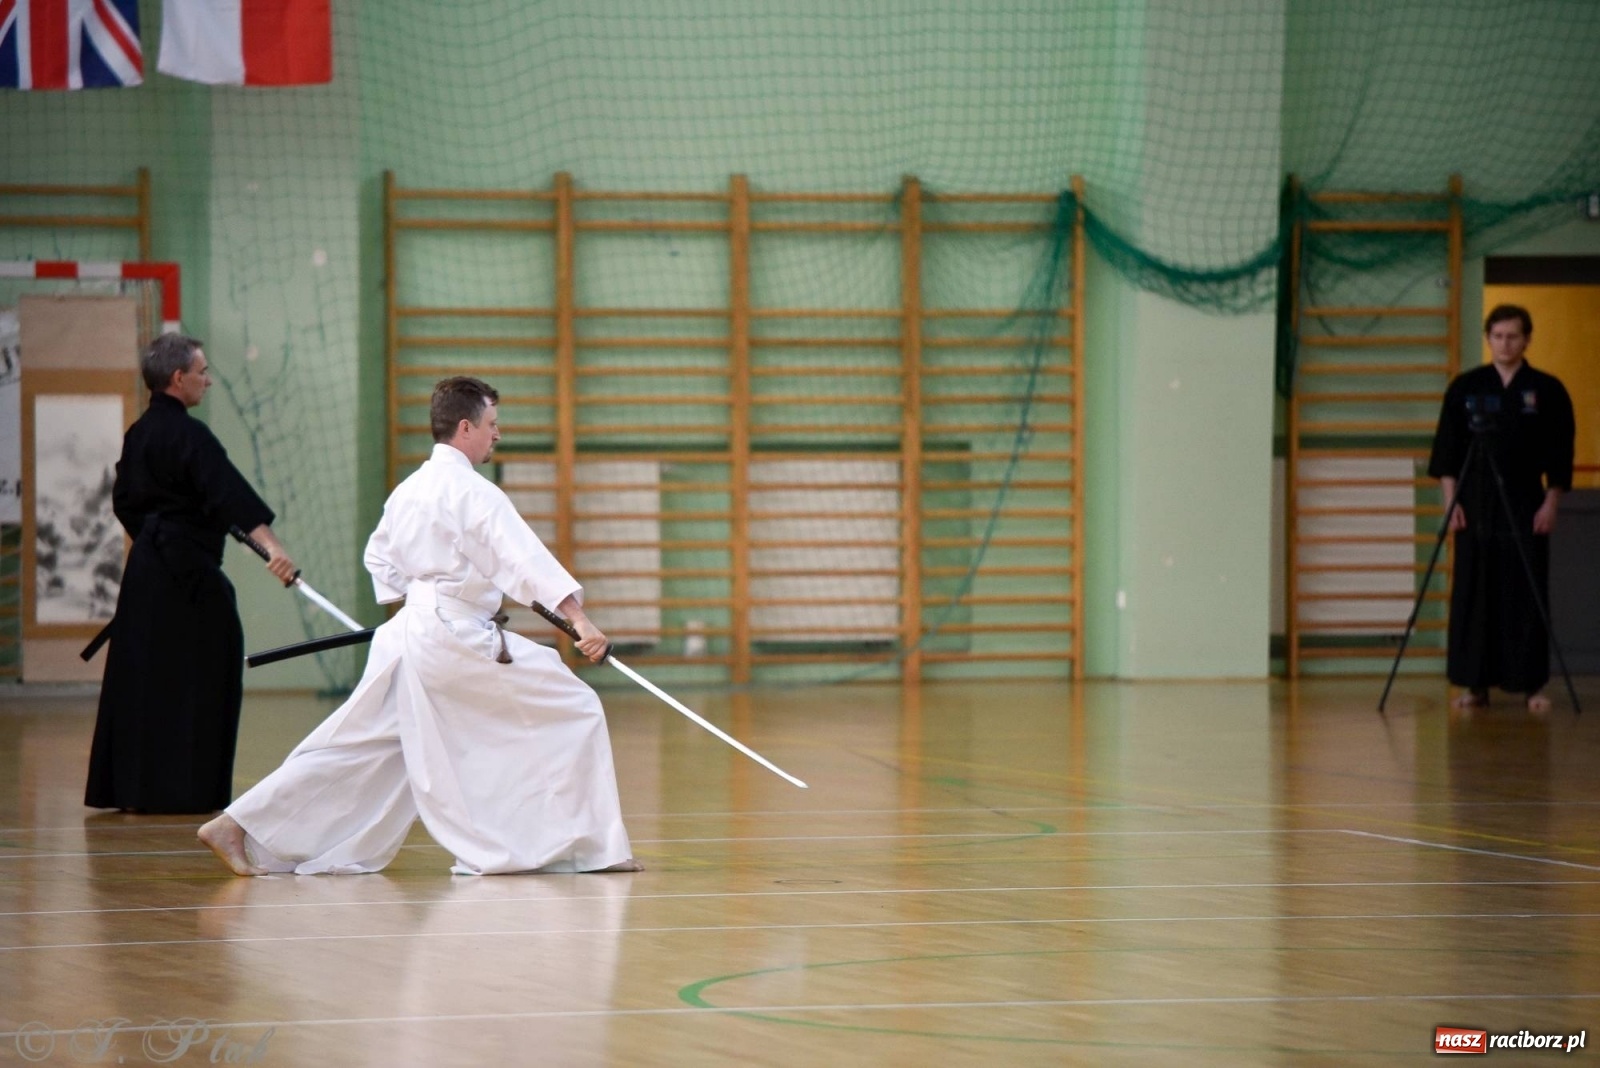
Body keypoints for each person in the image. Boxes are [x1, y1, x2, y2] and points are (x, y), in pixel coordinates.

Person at [199, 376, 639, 876]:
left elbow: (379, 558)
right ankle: (588, 848)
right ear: (466, 426)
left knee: (368, 746)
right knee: (575, 705)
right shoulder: (475, 493)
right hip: (454, 637)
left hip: (412, 634)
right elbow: (522, 560)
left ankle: (237, 823)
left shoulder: (409, 491)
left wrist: (418, 601)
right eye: (493, 425)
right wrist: (580, 622)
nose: (498, 434)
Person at [86, 334, 297, 814]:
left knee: (142, 677)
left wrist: (156, 541)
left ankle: (133, 790)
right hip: (189, 578)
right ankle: (187, 790)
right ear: (178, 378)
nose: (208, 380)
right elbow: (227, 495)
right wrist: (274, 551)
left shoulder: (138, 433)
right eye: (202, 372)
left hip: (145, 575)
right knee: (207, 667)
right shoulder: (191, 436)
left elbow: (124, 503)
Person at [1427, 304, 1575, 713]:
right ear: (1488, 338)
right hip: (1475, 505)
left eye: (1513, 336)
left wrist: (1551, 504)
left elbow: (1560, 455)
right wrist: (1449, 502)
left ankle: (1531, 686)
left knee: (1525, 591)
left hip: (1526, 503)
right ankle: (1475, 686)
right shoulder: (1466, 387)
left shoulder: (1547, 390)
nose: (1505, 343)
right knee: (1475, 591)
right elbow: (1447, 452)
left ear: (1527, 339)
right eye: (1498, 336)